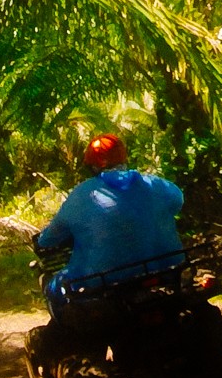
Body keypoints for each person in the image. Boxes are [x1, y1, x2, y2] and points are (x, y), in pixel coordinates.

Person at [34, 133, 186, 315]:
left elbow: (52, 236)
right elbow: (178, 202)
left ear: (93, 166)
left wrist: (42, 241)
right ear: (124, 157)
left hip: (106, 281)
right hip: (168, 270)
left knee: (56, 288)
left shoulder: (83, 194)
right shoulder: (155, 184)